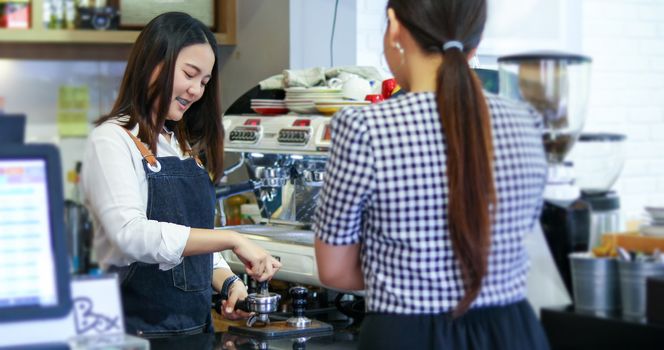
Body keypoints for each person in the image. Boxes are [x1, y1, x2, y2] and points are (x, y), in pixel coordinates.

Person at [313, 1, 550, 349]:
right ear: (476, 37)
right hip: (512, 331)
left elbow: (334, 270)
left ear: (394, 26)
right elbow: (519, 236)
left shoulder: (365, 127)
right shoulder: (526, 122)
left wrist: (405, 270)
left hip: (409, 334)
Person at [81, 12, 281, 338]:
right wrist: (233, 239)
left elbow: (194, 240)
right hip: (136, 334)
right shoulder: (111, 139)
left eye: (204, 82)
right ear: (154, 63)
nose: (196, 90)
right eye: (190, 74)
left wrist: (228, 282)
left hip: (194, 331)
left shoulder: (181, 146)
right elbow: (130, 235)